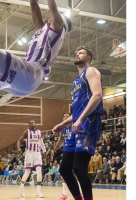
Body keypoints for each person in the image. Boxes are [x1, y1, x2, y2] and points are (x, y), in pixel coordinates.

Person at [52, 46, 104, 200]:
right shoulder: (75, 82)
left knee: (79, 168)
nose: (77, 54)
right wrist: (63, 124)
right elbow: (76, 112)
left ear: (88, 58)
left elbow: (97, 96)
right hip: (77, 124)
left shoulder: (91, 71)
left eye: (81, 53)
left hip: (89, 123)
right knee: (64, 169)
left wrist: (80, 119)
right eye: (76, 53)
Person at [16, 121, 47, 198]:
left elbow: (41, 142)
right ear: (29, 125)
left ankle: (38, 192)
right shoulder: (26, 132)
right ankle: (21, 187)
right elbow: (19, 140)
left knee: (39, 170)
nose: (32, 124)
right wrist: (18, 148)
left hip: (37, 153)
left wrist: (44, 151)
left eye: (33, 123)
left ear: (35, 124)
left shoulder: (39, 132)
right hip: (29, 153)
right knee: (27, 172)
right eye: (30, 123)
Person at [51, 113, 72, 200]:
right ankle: (64, 194)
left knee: (76, 173)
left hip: (75, 151)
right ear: (63, 118)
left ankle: (81, 192)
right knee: (63, 171)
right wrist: (53, 150)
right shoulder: (62, 129)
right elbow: (59, 141)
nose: (66, 118)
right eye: (65, 116)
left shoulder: (74, 126)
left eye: (68, 116)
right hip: (66, 151)